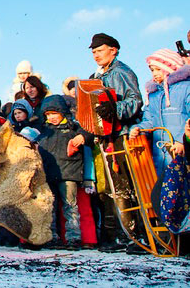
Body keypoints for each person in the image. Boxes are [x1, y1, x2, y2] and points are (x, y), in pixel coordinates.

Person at [88, 32, 143, 252]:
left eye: (100, 51)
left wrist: (116, 110)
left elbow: (135, 101)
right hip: (105, 136)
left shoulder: (121, 71)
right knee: (112, 187)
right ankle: (118, 236)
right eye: (93, 52)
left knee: (127, 185)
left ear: (114, 50)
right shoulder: (95, 76)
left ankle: (137, 236)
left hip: (123, 134)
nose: (96, 55)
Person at [35, 95, 87, 249]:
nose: (51, 117)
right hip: (49, 172)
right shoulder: (44, 130)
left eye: (54, 114)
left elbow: (88, 133)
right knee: (49, 206)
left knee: (70, 205)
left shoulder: (73, 127)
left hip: (69, 172)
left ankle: (74, 237)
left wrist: (82, 137)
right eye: (48, 115)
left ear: (62, 112)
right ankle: (51, 236)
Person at [130, 49, 190, 176]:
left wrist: (181, 141)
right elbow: (149, 120)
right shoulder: (153, 95)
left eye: (158, 69)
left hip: (182, 151)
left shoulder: (186, 88)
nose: (154, 74)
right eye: (152, 70)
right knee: (166, 191)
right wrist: (138, 128)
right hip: (161, 155)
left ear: (170, 67)